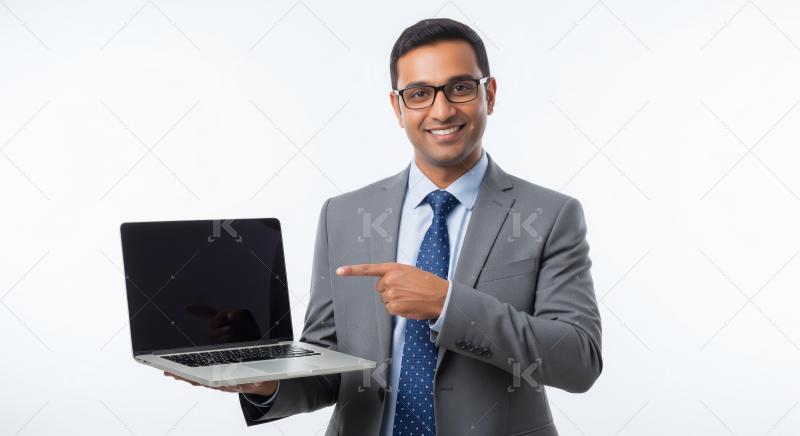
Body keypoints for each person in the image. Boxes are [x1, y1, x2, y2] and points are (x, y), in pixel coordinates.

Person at [166, 17, 603, 436]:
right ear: (397, 107)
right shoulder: (343, 214)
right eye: (419, 93)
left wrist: (447, 304)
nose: (442, 109)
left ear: (489, 94)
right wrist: (264, 381)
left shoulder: (550, 215)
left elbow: (579, 360)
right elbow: (329, 366)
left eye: (460, 88)